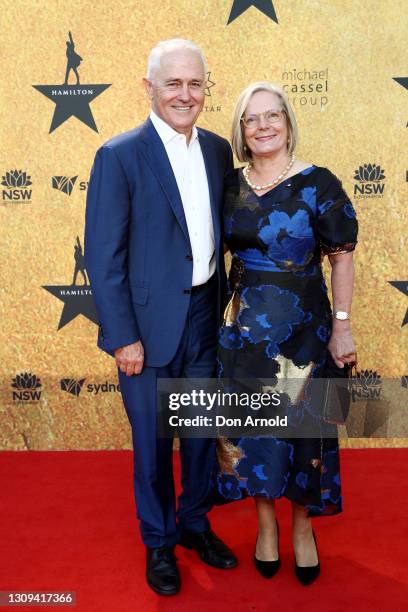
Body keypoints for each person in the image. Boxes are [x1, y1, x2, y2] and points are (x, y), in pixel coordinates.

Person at [84, 39, 237, 596]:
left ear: (205, 90)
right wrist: (123, 335)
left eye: (195, 83)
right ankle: (159, 542)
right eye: (173, 83)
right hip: (146, 329)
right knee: (152, 444)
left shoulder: (219, 151)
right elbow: (104, 258)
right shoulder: (119, 155)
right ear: (148, 87)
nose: (185, 94)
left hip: (203, 317)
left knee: (199, 436)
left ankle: (196, 525)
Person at [216, 82, 358, 585]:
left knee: (306, 432)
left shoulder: (320, 183)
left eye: (272, 115)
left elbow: (341, 260)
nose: (263, 126)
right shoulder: (228, 184)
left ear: (289, 121)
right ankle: (264, 527)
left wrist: (341, 328)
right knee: (251, 433)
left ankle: (301, 529)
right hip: (244, 332)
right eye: (251, 119)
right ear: (241, 130)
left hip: (305, 331)